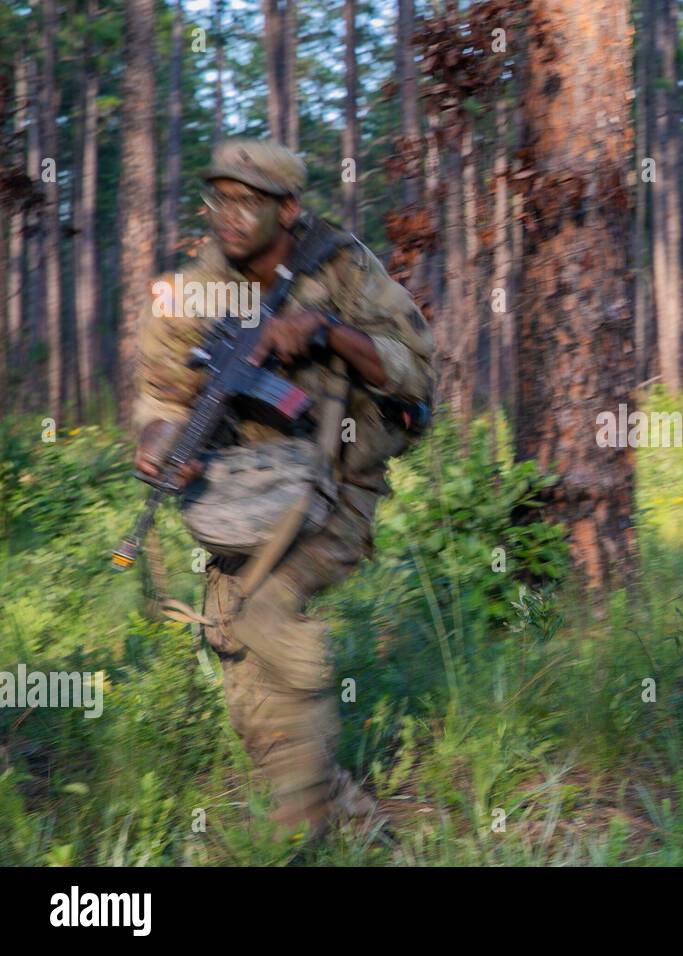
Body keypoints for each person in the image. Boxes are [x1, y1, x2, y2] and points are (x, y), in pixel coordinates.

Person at [131, 138, 435, 841]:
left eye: (248, 202)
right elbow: (161, 394)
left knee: (263, 612)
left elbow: (414, 372)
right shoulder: (194, 289)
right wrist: (157, 439)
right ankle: (331, 810)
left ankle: (297, 825)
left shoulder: (344, 267)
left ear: (289, 210)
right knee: (232, 646)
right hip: (241, 494)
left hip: (339, 483)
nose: (227, 216)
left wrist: (326, 331)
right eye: (217, 200)